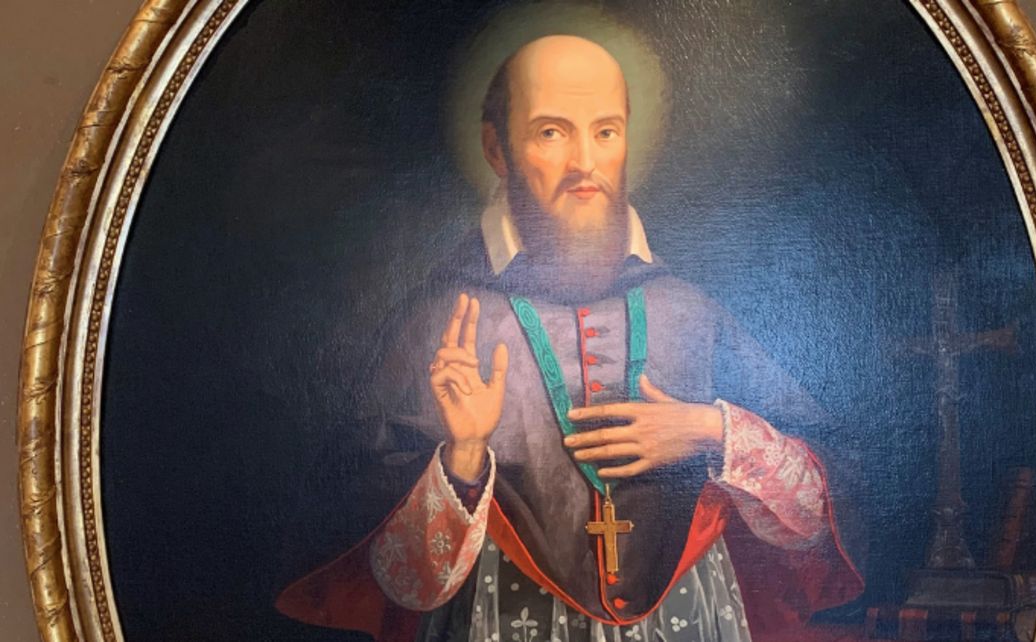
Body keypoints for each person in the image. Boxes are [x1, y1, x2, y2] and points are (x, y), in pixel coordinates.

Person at [276, 34, 862, 641]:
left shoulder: (690, 311)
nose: (585, 162)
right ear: (497, 149)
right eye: (552, 132)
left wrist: (709, 430)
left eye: (605, 131)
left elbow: (818, 513)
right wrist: (464, 455)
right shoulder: (441, 321)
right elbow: (401, 579)